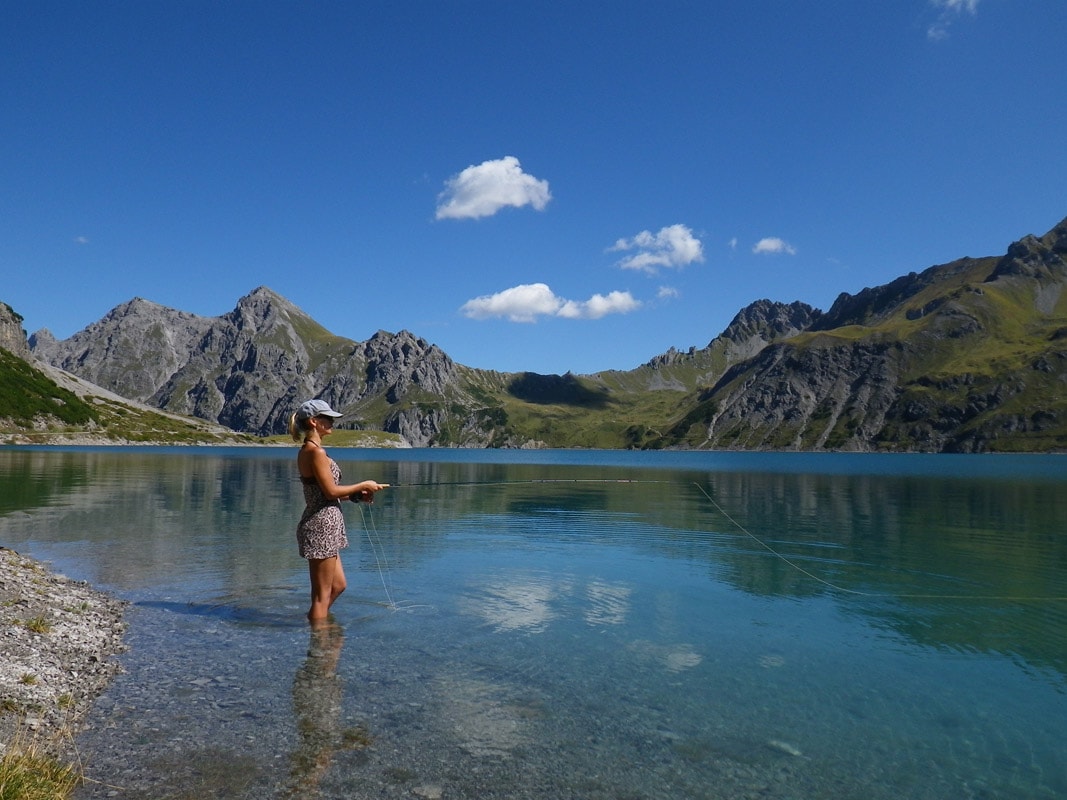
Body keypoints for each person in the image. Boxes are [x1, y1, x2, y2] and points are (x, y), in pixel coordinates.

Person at [289, 399, 387, 624]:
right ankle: (320, 644)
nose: (332, 422)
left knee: (339, 586)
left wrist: (355, 496)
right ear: (314, 422)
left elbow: (325, 492)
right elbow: (331, 491)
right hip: (320, 525)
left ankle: (316, 625)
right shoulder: (316, 452)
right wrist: (364, 484)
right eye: (328, 418)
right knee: (321, 596)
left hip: (325, 524)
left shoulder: (311, 451)